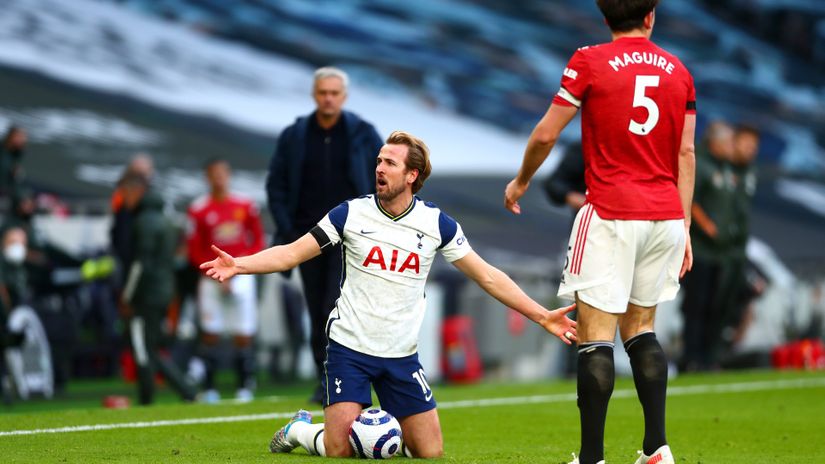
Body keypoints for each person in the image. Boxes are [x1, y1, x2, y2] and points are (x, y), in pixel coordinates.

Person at [202, 131, 578, 458]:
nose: (380, 168)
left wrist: (542, 315)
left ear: (412, 175)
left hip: (401, 355)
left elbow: (489, 277)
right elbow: (291, 252)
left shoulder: (436, 224)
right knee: (340, 449)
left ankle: (379, 436)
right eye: (379, 161)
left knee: (430, 452)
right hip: (350, 347)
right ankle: (299, 430)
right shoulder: (350, 214)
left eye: (391, 163)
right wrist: (240, 264)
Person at [503, 1, 696, 463]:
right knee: (642, 330)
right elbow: (685, 154)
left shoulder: (589, 60)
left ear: (605, 17)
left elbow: (548, 134)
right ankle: (656, 449)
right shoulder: (679, 70)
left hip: (611, 211)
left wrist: (523, 179)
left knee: (595, 336)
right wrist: (684, 225)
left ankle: (592, 458)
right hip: (666, 215)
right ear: (650, 16)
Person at [266, 66, 383, 403]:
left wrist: (375, 224)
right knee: (318, 311)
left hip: (351, 238)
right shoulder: (295, 135)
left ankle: (346, 378)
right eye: (323, 93)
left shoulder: (363, 133)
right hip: (308, 239)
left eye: (334, 93)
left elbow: (383, 177)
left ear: (343, 97)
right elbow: (276, 183)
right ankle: (326, 379)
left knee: (339, 308)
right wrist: (287, 227)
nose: (328, 98)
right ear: (314, 95)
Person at [187, 158, 265, 403]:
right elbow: (194, 248)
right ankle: (209, 388)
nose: (219, 178)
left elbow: (258, 240)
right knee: (211, 332)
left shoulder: (245, 205)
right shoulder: (198, 209)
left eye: (223, 173)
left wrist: (242, 267)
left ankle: (244, 387)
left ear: (228, 175)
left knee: (243, 332)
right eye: (214, 174)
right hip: (211, 277)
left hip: (240, 274)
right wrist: (212, 271)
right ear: (207, 177)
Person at [118, 173, 197, 405]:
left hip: (146, 294)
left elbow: (140, 264)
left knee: (142, 347)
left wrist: (127, 295)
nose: (124, 199)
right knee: (151, 345)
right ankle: (186, 390)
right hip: (164, 290)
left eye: (126, 193)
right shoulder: (165, 219)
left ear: (137, 192)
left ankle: (149, 398)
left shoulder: (143, 221)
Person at [678, 121, 737, 372]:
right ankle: (691, 357)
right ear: (715, 142)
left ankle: (706, 356)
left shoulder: (726, 168)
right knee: (696, 305)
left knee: (714, 305)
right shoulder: (700, 164)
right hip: (699, 250)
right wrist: (708, 226)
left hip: (719, 253)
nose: (731, 147)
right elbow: (690, 199)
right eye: (728, 142)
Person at [0, 126, 28, 207]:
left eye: (24, 138)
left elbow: (14, 179)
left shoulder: (16, 155)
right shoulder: (4, 152)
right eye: (19, 137)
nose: (23, 140)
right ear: (11, 136)